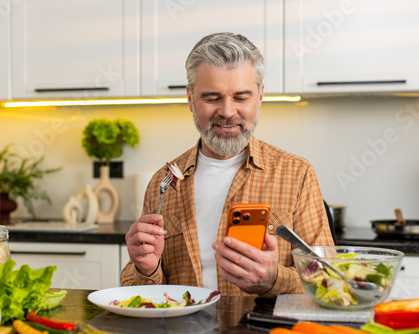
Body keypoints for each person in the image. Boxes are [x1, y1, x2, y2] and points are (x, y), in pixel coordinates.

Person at [121, 32, 334, 297]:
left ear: (260, 96)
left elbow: (329, 281)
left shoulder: (296, 174)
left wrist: (273, 279)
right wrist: (146, 269)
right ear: (190, 98)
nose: (227, 111)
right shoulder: (163, 183)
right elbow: (138, 297)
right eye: (212, 98)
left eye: (241, 97)